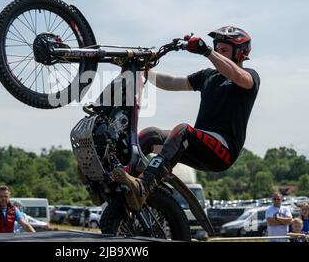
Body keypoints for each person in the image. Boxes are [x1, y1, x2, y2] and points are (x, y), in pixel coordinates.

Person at [110, 26, 260, 210]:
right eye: (217, 49)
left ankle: (145, 184)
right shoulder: (208, 76)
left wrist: (207, 51)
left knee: (183, 130)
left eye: (224, 50)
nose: (219, 54)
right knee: (150, 135)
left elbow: (237, 75)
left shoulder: (250, 77)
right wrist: (143, 71)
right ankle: (116, 180)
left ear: (241, 53)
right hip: (196, 146)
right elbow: (173, 82)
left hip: (223, 152)